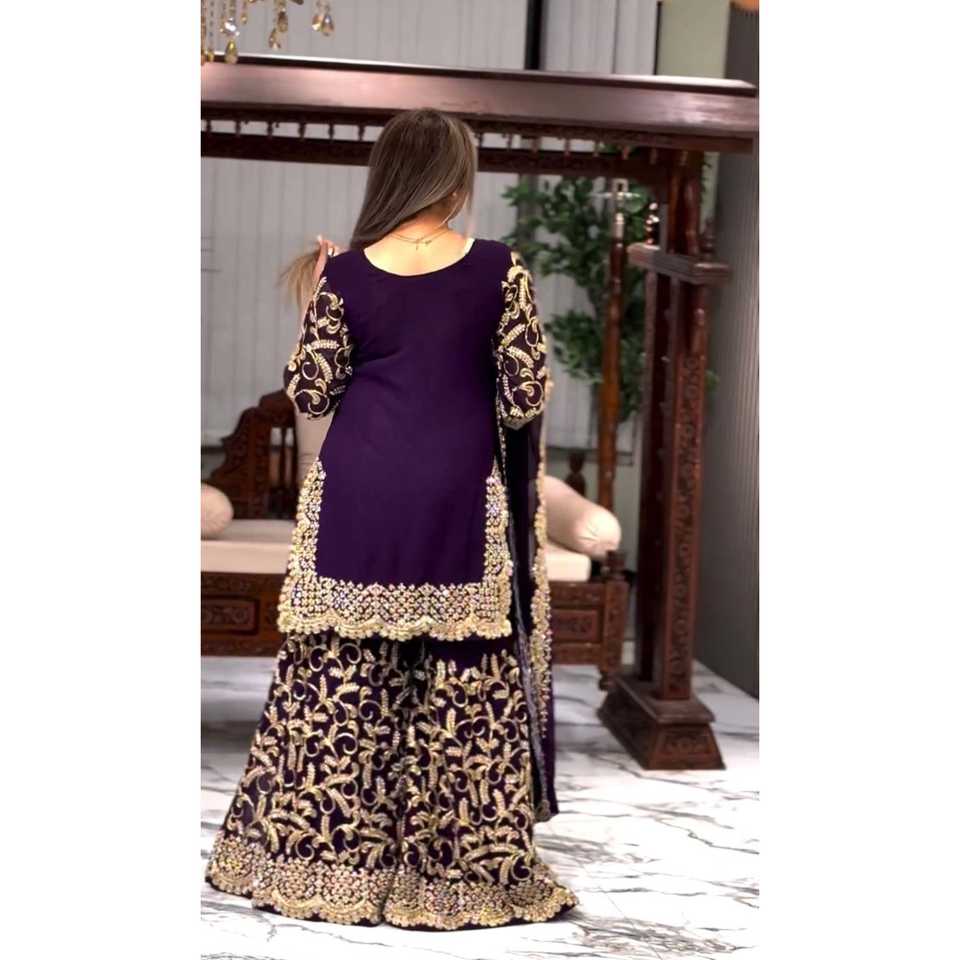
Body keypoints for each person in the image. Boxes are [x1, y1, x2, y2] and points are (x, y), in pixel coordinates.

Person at [205, 107, 577, 930]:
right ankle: (455, 877)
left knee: (340, 681)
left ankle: (319, 862)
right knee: (459, 686)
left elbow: (312, 393)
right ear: (454, 178)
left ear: (389, 177)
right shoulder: (500, 268)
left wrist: (319, 299)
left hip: (358, 494)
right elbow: (524, 396)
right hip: (454, 496)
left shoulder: (343, 276)